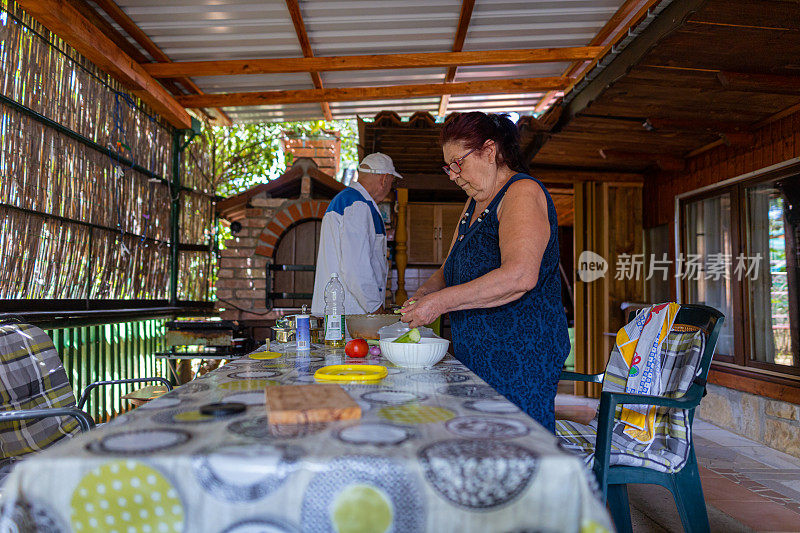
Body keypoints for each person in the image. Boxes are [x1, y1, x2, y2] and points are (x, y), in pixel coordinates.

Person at [399, 112, 569, 432]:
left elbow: (520, 276)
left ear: (489, 151)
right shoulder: (474, 203)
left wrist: (440, 303)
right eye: (448, 167)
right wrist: (424, 293)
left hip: (520, 359)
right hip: (477, 358)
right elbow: (449, 269)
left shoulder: (521, 192)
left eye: (457, 163)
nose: (452, 175)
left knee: (516, 452)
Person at [311, 152, 401, 315]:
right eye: (391, 182)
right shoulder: (357, 205)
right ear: (384, 179)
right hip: (351, 315)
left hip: (341, 312)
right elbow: (356, 267)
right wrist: (375, 308)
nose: (389, 188)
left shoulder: (348, 201)